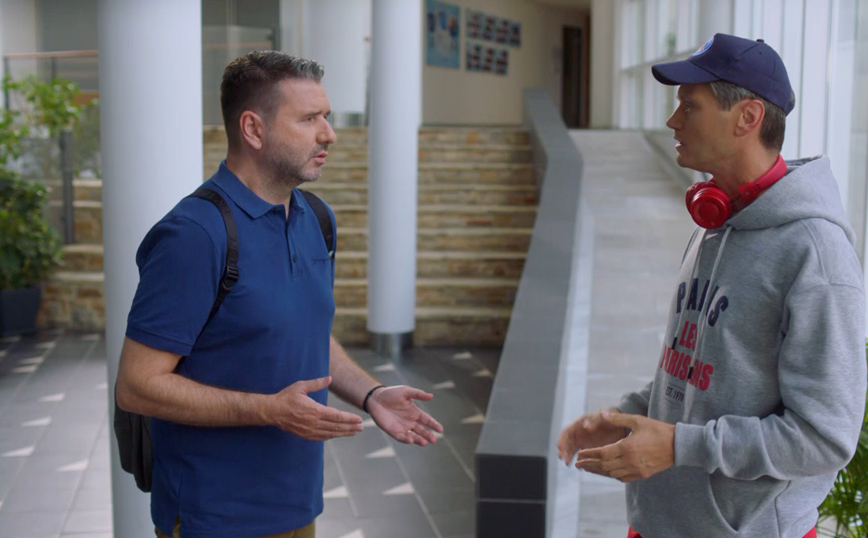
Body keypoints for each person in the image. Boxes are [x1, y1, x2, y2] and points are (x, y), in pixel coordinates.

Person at [115, 51, 444, 538]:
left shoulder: (317, 219)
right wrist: (267, 409)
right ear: (253, 129)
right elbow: (137, 385)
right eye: (309, 119)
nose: (329, 134)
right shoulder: (194, 235)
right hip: (215, 518)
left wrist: (370, 394)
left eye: (326, 116)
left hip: (299, 507)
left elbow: (304, 334)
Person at [558, 33, 866, 538]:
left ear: (747, 117)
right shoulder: (714, 221)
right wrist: (629, 415)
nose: (672, 121)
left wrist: (678, 446)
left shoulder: (815, 252)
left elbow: (825, 438)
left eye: (689, 106)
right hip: (658, 522)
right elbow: (696, 371)